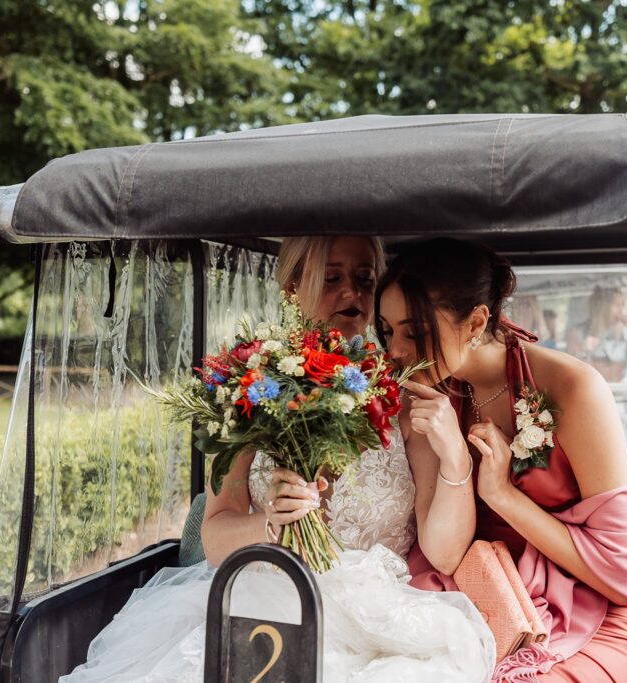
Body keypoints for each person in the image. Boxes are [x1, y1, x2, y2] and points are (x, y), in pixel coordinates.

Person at [61, 236, 495, 683]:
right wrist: (271, 524)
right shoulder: (248, 387)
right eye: (331, 278)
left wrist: (454, 455)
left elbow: (444, 556)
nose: (352, 293)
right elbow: (215, 536)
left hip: (377, 620)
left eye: (365, 280)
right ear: (291, 289)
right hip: (259, 602)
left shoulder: (406, 397)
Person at [376, 238, 627, 683]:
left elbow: (625, 577)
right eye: (388, 331)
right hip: (473, 592)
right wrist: (453, 455)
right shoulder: (428, 396)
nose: (394, 351)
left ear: (476, 322)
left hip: (588, 606)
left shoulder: (573, 389)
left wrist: (502, 495)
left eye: (415, 332)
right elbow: (442, 552)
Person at [567, 286, 627, 456]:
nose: (622, 310)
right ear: (603, 306)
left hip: (625, 402)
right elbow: (568, 367)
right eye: (618, 305)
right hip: (594, 400)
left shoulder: (626, 332)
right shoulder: (579, 332)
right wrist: (583, 351)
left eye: (624, 305)